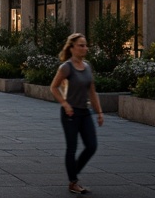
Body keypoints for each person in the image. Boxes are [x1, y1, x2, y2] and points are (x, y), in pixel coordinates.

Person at [50, 33, 104, 195]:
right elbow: (53, 87)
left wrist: (99, 112)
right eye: (81, 45)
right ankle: (73, 181)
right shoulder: (66, 67)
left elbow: (92, 92)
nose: (85, 48)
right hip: (70, 113)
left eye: (85, 45)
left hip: (85, 112)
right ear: (72, 48)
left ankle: (73, 172)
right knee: (72, 148)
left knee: (92, 146)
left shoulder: (87, 66)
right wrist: (65, 104)